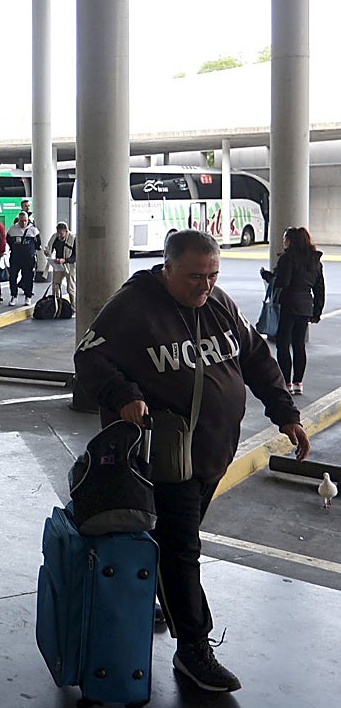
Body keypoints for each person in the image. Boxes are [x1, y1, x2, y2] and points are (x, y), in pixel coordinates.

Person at [74, 229, 309, 694]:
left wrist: (286, 414)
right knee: (183, 549)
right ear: (168, 269)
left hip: (211, 455)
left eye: (213, 274)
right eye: (195, 277)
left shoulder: (218, 303)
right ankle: (194, 647)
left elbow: (257, 357)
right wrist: (124, 396)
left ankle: (160, 598)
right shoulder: (133, 308)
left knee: (175, 543)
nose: (205, 285)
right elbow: (89, 358)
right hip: (168, 457)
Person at [261, 226, 326, 395]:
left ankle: (287, 383)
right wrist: (316, 311)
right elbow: (320, 289)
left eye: (285, 239)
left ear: (291, 241)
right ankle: (298, 383)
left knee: (283, 345)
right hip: (305, 306)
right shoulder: (315, 261)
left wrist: (268, 276)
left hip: (288, 305)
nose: (284, 242)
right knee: (299, 345)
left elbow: (283, 282)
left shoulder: (288, 259)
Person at [6, 211, 41, 306]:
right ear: (18, 220)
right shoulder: (12, 230)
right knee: (12, 277)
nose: (23, 223)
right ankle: (14, 296)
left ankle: (28, 296)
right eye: (21, 221)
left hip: (28, 259)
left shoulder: (33, 230)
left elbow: (38, 244)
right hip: (15, 258)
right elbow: (8, 241)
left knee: (28, 278)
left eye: (25, 221)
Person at [45, 222, 77, 303]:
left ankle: (74, 307)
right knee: (55, 286)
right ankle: (56, 305)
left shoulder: (73, 239)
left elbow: (76, 257)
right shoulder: (54, 238)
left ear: (66, 232)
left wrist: (65, 260)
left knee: (70, 288)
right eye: (58, 233)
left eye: (61, 233)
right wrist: (47, 252)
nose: (59, 235)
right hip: (58, 265)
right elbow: (50, 249)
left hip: (70, 266)